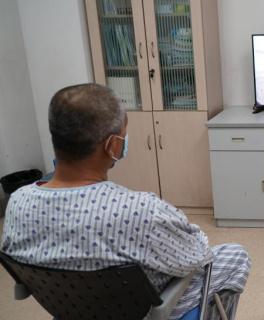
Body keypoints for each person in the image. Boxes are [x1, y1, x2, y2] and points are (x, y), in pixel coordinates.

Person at [1, 84, 251, 320]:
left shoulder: (18, 202)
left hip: (72, 308)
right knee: (235, 256)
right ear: (112, 146)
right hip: (143, 312)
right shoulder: (141, 210)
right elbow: (198, 255)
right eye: (124, 135)